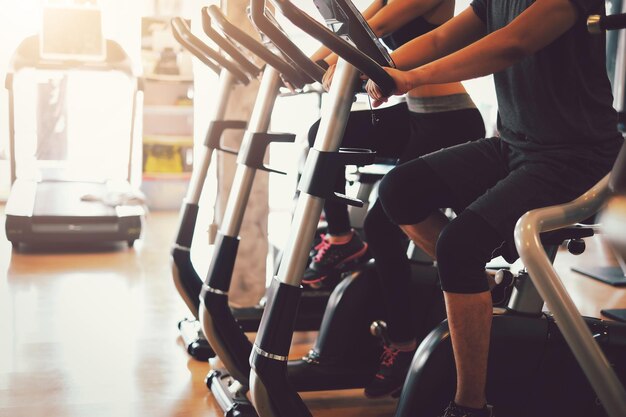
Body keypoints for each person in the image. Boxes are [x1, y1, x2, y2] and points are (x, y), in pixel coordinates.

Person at [364, 0, 622, 415]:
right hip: (514, 144)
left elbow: (512, 44)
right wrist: (372, 66)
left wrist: (409, 78)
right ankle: (484, 282)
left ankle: (470, 405)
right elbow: (442, 37)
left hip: (577, 157)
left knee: (457, 247)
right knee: (399, 191)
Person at [304, 0, 486, 399]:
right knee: (322, 136)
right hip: (415, 115)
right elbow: (358, 25)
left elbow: (380, 29)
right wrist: (310, 62)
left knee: (380, 226)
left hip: (450, 120)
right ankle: (339, 239)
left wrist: (337, 64)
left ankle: (403, 343)